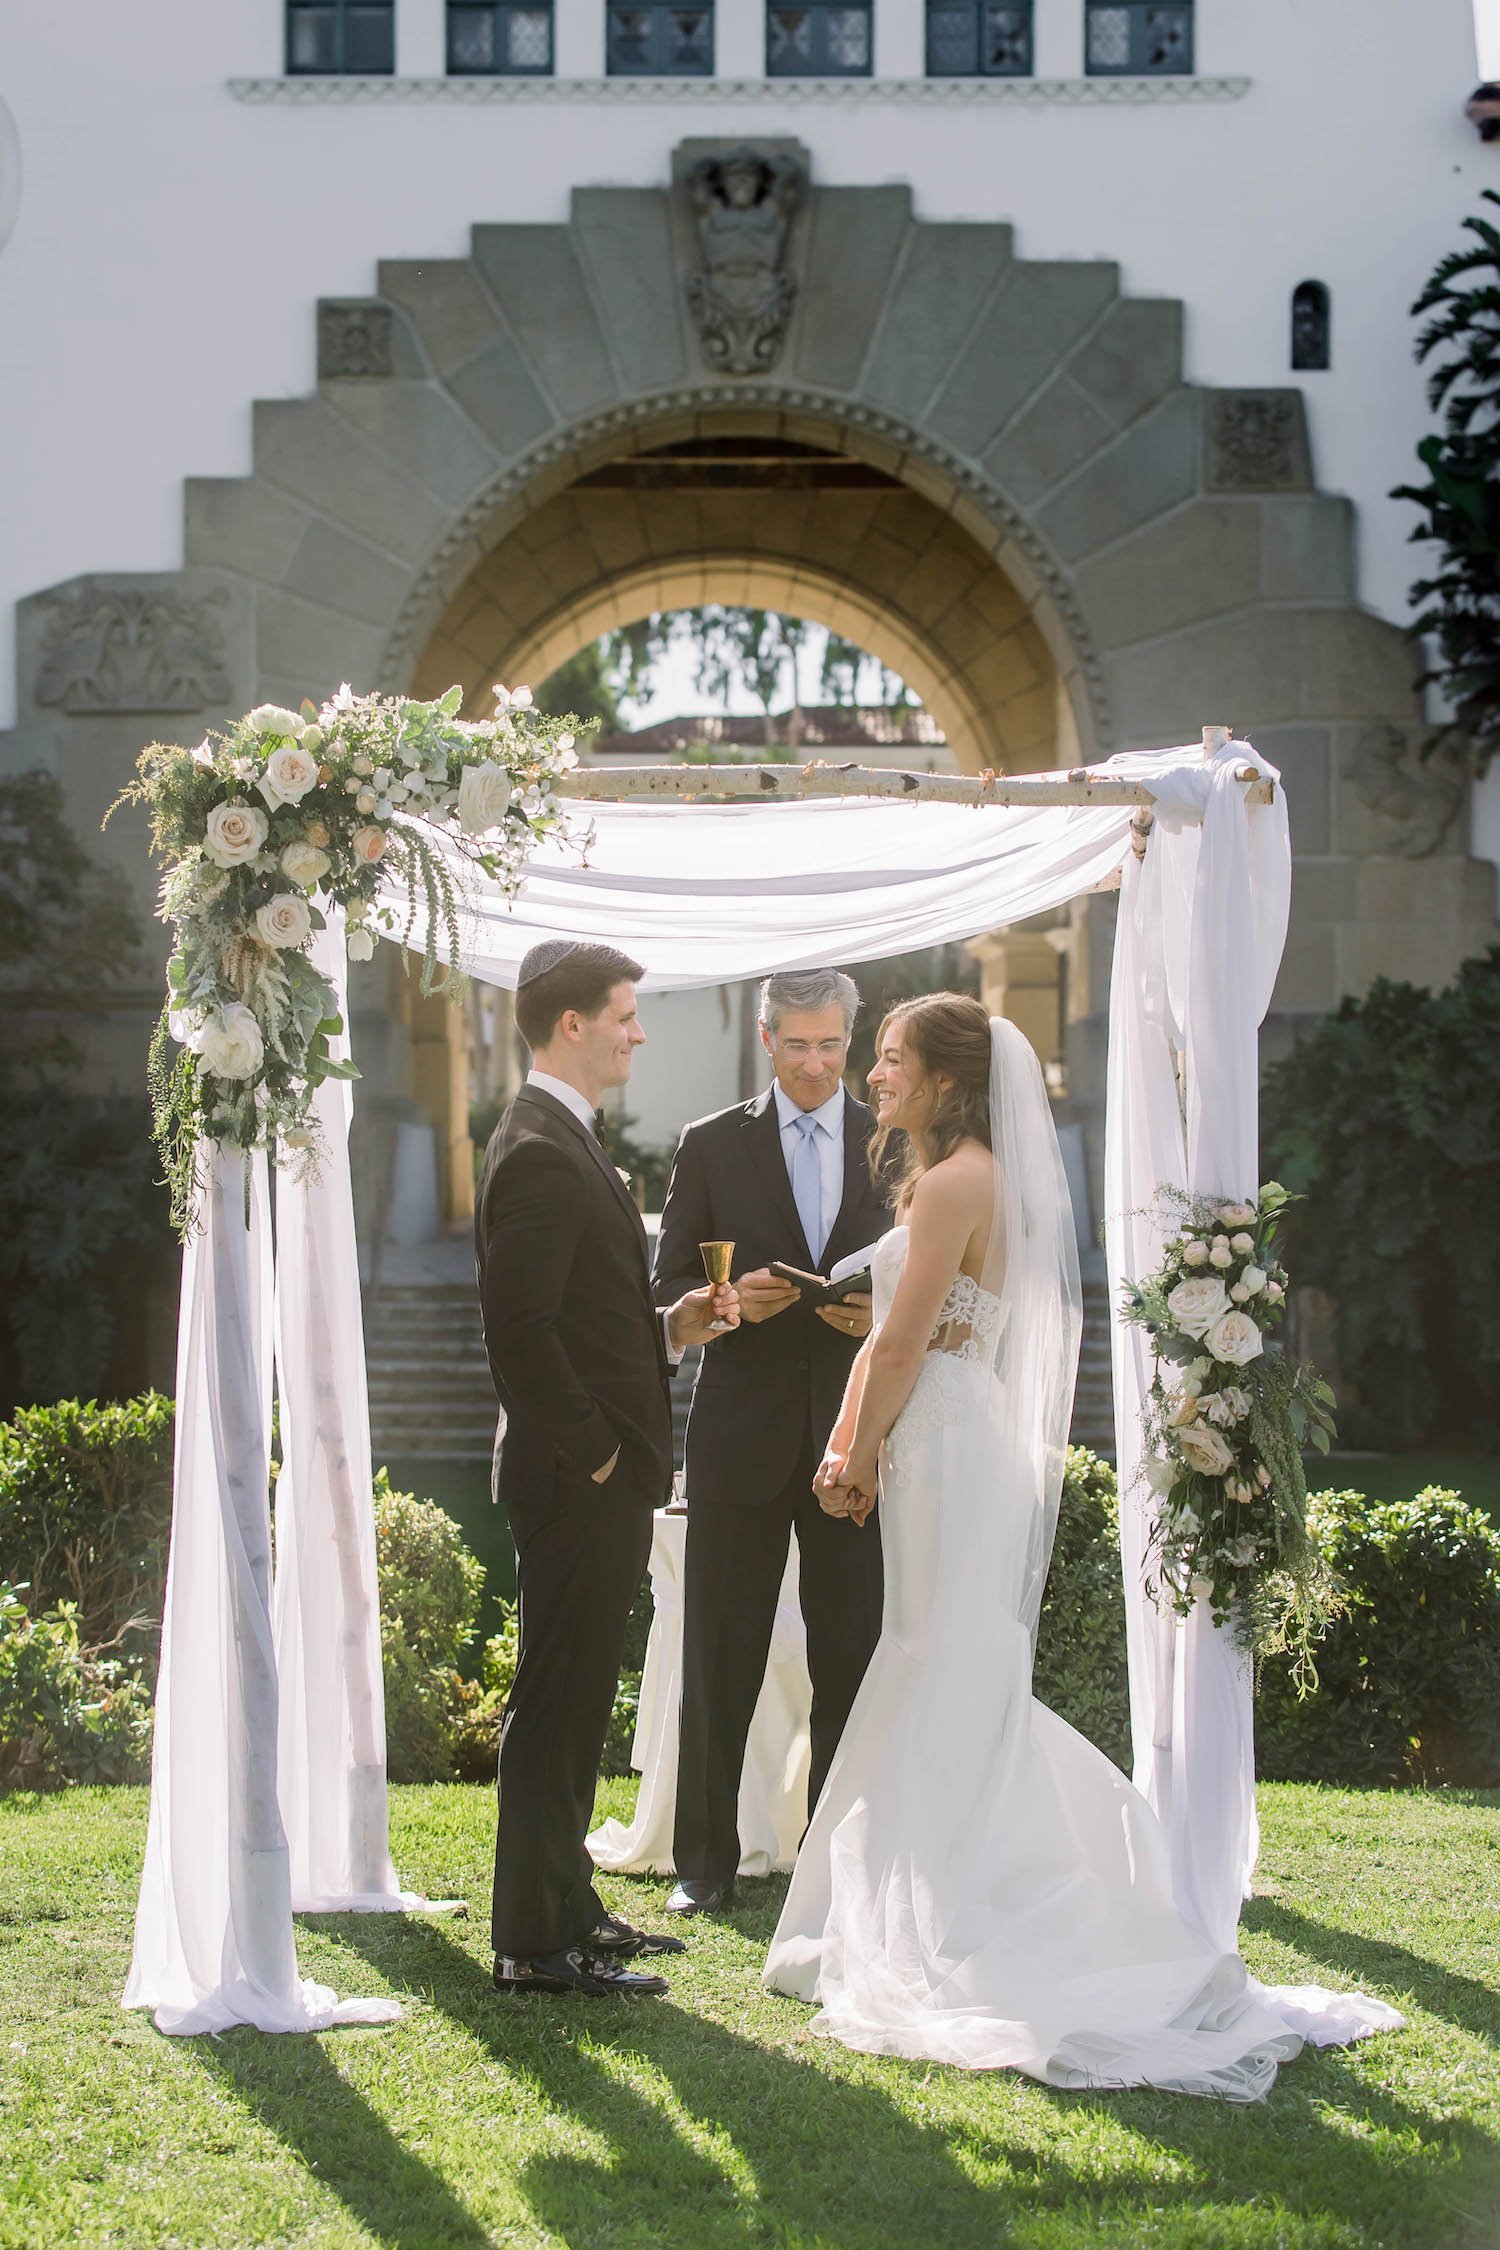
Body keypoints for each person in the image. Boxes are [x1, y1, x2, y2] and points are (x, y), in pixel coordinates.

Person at [764, 994, 1396, 2096]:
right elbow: (891, 1335)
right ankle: (948, 1885)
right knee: (934, 1656)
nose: (874, 1076)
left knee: (941, 1657)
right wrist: (850, 1443)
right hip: (939, 1433)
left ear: (950, 1079)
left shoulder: (961, 1180)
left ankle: (1002, 1893)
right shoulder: (950, 1179)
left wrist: (854, 1456)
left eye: (891, 1058)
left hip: (949, 1439)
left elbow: (905, 1340)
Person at [475, 939, 738, 1998]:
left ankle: (570, 1907)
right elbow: (520, 1335)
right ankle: (534, 1946)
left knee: (579, 1700)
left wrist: (673, 1328)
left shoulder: (566, 1136)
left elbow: (591, 1319)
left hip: (604, 1479)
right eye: (625, 1013)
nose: (639, 1030)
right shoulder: (538, 1147)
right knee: (556, 1704)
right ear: (572, 1024)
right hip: (576, 1481)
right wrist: (594, 1457)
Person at [652, 968, 893, 1916]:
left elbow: (935, 1278)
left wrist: (877, 1317)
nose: (816, 1065)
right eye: (798, 1045)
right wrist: (721, 1306)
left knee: (854, 1650)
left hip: (856, 1438)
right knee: (721, 1651)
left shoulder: (893, 1138)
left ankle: (837, 1860)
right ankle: (701, 1864)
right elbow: (666, 1284)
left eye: (832, 1046)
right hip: (739, 1435)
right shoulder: (711, 1144)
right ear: (766, 1039)